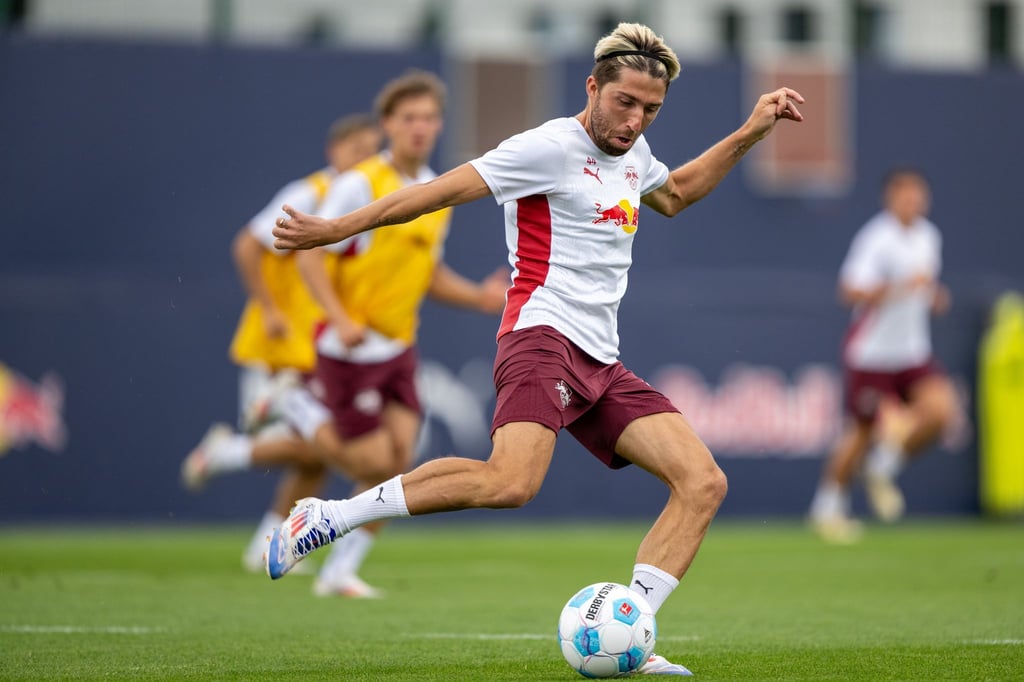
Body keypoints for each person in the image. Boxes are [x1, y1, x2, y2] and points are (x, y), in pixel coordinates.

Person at [269, 23, 804, 675]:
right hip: (541, 338)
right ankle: (328, 516)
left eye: (650, 109)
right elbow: (432, 194)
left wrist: (751, 130)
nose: (634, 120)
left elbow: (680, 193)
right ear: (593, 87)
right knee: (509, 482)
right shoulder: (547, 147)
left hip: (600, 359)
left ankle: (629, 633)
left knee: (702, 482)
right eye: (625, 102)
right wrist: (332, 229)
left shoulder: (634, 155)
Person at [184, 70, 508, 597]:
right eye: (409, 118)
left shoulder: (432, 187)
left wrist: (477, 297)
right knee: (368, 463)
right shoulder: (359, 182)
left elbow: (426, 272)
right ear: (388, 125)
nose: (421, 127)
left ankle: (339, 571)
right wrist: (337, 317)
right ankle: (297, 408)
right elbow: (311, 248)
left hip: (398, 346)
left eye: (429, 117)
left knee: (399, 464)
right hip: (347, 350)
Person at [181, 114, 381, 573]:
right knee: (317, 445)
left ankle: (264, 546)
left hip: (320, 343)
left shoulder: (362, 198)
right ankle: (224, 453)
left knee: (315, 457)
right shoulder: (308, 193)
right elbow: (247, 246)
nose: (365, 160)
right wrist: (269, 308)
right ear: (335, 151)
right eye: (357, 150)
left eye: (372, 152)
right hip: (285, 339)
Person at [808, 168, 958, 544]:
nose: (913, 201)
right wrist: (896, 287)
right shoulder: (877, 238)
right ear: (891, 198)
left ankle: (883, 465)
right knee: (859, 433)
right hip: (872, 353)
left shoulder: (928, 236)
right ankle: (826, 507)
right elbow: (850, 292)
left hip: (911, 351)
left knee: (942, 411)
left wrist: (934, 296)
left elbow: (925, 288)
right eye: (905, 195)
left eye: (918, 194)